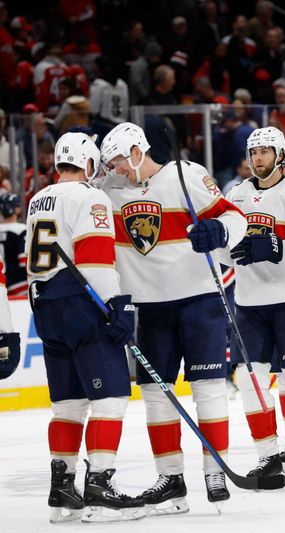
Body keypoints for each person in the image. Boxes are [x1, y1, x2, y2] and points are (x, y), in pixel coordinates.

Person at [98, 122, 247, 514]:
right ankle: (171, 479)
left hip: (199, 302)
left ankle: (215, 471)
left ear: (136, 151)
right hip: (150, 310)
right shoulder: (109, 191)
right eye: (109, 163)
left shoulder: (187, 175)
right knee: (154, 396)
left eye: (117, 160)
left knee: (209, 387)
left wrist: (218, 230)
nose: (114, 169)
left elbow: (236, 218)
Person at [28, 132, 143, 523]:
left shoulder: (37, 199)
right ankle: (99, 487)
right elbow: (95, 262)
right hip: (82, 306)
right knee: (110, 398)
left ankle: (62, 490)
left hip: (45, 307)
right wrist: (117, 306)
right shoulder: (91, 197)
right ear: (88, 162)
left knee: (67, 403)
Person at [223, 127, 285, 485]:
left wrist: (278, 248)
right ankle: (267, 455)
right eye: (253, 152)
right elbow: (225, 251)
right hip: (249, 304)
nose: (258, 158)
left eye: (265, 151)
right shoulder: (236, 194)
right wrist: (219, 244)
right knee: (249, 382)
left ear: (280, 154)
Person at [0, 192, 27, 296]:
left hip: (2, 286)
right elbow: (24, 263)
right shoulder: (21, 230)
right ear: (16, 209)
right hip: (19, 287)